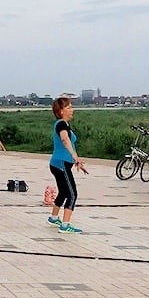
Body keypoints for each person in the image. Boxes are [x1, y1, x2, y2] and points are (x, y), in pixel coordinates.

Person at [47, 96, 89, 234]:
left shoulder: (63, 124)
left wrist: (76, 160)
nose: (72, 110)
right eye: (69, 107)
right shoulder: (61, 124)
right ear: (60, 111)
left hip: (58, 163)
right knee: (72, 194)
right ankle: (65, 225)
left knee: (64, 191)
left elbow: (67, 141)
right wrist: (75, 157)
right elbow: (65, 140)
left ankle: (54, 217)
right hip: (61, 163)